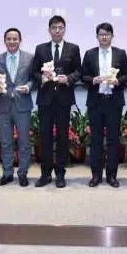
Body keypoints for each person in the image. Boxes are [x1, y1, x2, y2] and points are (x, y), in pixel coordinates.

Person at [32, 15, 82, 188]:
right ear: (49, 30)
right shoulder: (40, 49)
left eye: (60, 27)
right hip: (45, 99)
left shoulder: (73, 48)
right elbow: (34, 72)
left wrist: (68, 78)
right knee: (45, 137)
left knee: (62, 137)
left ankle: (60, 174)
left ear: (64, 29)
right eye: (54, 28)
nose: (57, 31)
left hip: (63, 99)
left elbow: (79, 71)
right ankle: (45, 174)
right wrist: (42, 78)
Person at [81, 22, 127, 188]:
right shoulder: (90, 54)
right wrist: (92, 80)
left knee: (113, 141)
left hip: (113, 102)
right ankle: (96, 175)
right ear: (97, 36)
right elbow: (83, 76)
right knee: (95, 140)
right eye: (101, 34)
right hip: (96, 102)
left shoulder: (120, 53)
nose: (104, 37)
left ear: (112, 36)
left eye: (107, 34)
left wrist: (118, 81)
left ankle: (111, 175)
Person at [0, 28, 34, 187]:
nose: (12, 41)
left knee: (24, 142)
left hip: (22, 105)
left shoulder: (29, 58)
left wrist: (28, 86)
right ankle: (7, 173)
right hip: (4, 105)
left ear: (20, 40)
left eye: (15, 39)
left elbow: (34, 79)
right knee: (5, 142)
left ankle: (23, 173)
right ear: (5, 41)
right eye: (9, 39)